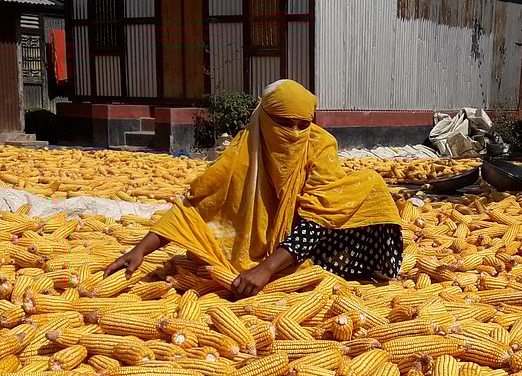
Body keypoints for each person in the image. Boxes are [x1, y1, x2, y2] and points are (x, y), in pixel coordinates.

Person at [105, 79, 403, 298]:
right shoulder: (241, 153)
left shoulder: (321, 144)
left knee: (370, 185)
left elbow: (319, 214)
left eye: (303, 125)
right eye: (285, 124)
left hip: (311, 236)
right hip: (263, 236)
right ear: (265, 119)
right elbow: (197, 204)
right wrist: (140, 250)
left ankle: (361, 266)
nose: (296, 134)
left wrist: (266, 269)